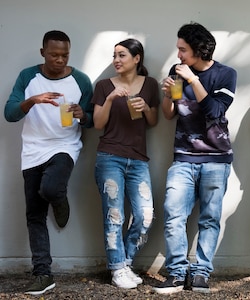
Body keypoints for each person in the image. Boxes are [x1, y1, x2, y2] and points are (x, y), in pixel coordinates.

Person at [4, 30, 93, 295]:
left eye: (64, 54)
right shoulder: (27, 76)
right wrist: (32, 100)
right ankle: (43, 273)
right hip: (32, 151)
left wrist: (82, 115)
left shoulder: (80, 80)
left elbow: (91, 118)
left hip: (65, 146)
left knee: (52, 188)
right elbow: (9, 114)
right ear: (43, 53)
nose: (60, 59)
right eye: (54, 54)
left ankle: (59, 198)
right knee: (34, 215)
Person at [152, 22, 237, 295]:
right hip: (183, 158)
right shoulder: (176, 73)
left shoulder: (226, 74)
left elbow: (213, 110)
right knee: (173, 215)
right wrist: (167, 95)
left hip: (216, 159)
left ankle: (201, 274)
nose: (178, 55)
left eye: (183, 50)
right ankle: (177, 274)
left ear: (199, 50)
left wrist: (192, 79)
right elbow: (169, 114)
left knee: (210, 219)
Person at [91, 38, 159, 289]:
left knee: (145, 216)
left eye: (122, 56)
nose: (116, 61)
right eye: (114, 56)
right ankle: (117, 269)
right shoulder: (103, 86)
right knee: (114, 215)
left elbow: (152, 121)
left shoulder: (150, 85)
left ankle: (125, 261)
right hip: (109, 157)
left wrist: (145, 108)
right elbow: (98, 124)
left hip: (139, 160)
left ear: (137, 58)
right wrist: (110, 99)